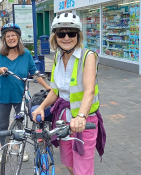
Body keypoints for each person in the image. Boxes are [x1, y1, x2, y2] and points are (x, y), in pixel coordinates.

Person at [32, 13, 106, 175]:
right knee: (68, 162)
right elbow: (56, 90)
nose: (66, 38)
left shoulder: (88, 56)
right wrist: (42, 107)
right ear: (55, 37)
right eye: (61, 33)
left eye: (71, 33)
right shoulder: (58, 56)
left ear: (78, 35)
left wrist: (81, 117)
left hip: (84, 120)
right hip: (63, 119)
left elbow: (89, 91)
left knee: (83, 169)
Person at [0, 23, 51, 163]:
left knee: (20, 125)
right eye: (8, 36)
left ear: (18, 37)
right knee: (3, 125)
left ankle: (19, 149)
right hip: (2, 95)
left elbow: (34, 73)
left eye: (13, 35)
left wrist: (47, 87)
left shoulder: (26, 54)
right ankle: (4, 151)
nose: (11, 38)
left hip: (20, 95)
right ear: (4, 39)